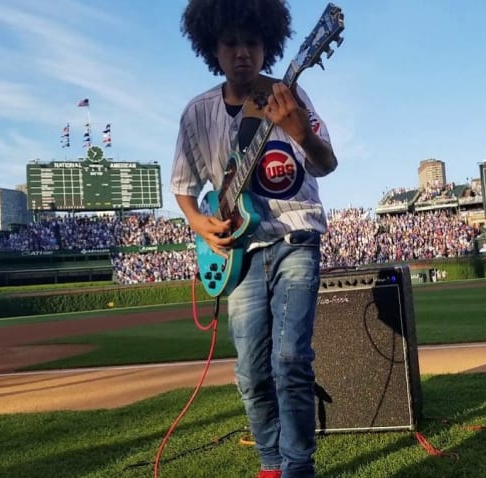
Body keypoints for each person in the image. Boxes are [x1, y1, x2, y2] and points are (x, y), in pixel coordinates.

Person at [171, 1, 338, 476]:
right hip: (239, 253)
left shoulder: (290, 98)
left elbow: (326, 164)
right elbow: (184, 189)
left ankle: (298, 467)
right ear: (213, 49)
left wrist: (300, 132)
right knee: (250, 373)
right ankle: (270, 464)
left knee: (291, 359)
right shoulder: (197, 114)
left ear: (270, 45)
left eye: (252, 42)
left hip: (295, 235)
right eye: (231, 43)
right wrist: (200, 224)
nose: (242, 52)